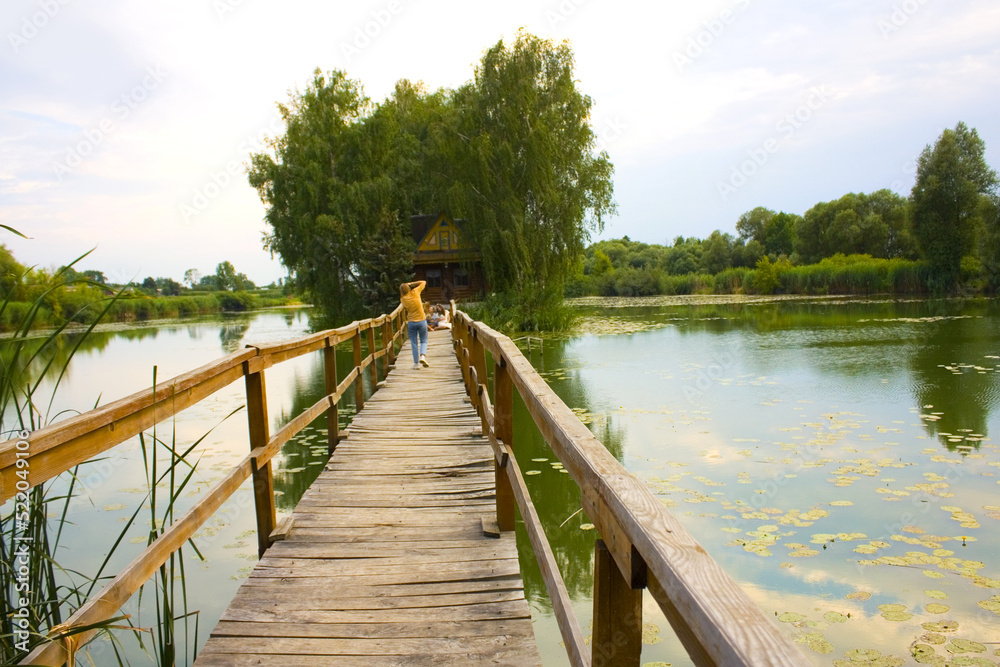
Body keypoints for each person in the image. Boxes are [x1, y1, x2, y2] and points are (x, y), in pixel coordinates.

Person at [400, 280, 429, 369]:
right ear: (408, 288)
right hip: (421, 320)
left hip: (411, 322)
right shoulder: (415, 292)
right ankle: (422, 356)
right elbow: (423, 282)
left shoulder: (403, 299)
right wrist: (411, 284)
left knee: (413, 342)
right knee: (423, 340)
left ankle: (416, 364)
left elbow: (404, 308)